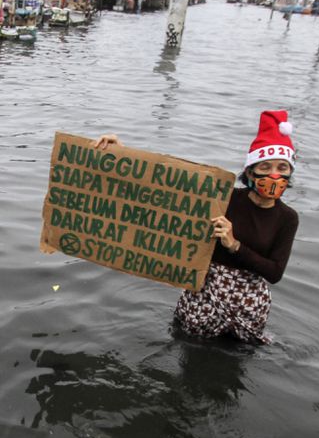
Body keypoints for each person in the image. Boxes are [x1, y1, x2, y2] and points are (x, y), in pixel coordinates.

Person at [93, 110, 299, 344]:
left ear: (290, 172)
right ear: (251, 171)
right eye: (266, 167)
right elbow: (161, 194)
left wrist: (234, 245)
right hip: (204, 293)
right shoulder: (224, 198)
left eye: (282, 168)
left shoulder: (287, 218)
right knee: (189, 348)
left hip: (249, 304)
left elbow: (274, 273)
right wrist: (120, 154)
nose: (274, 176)